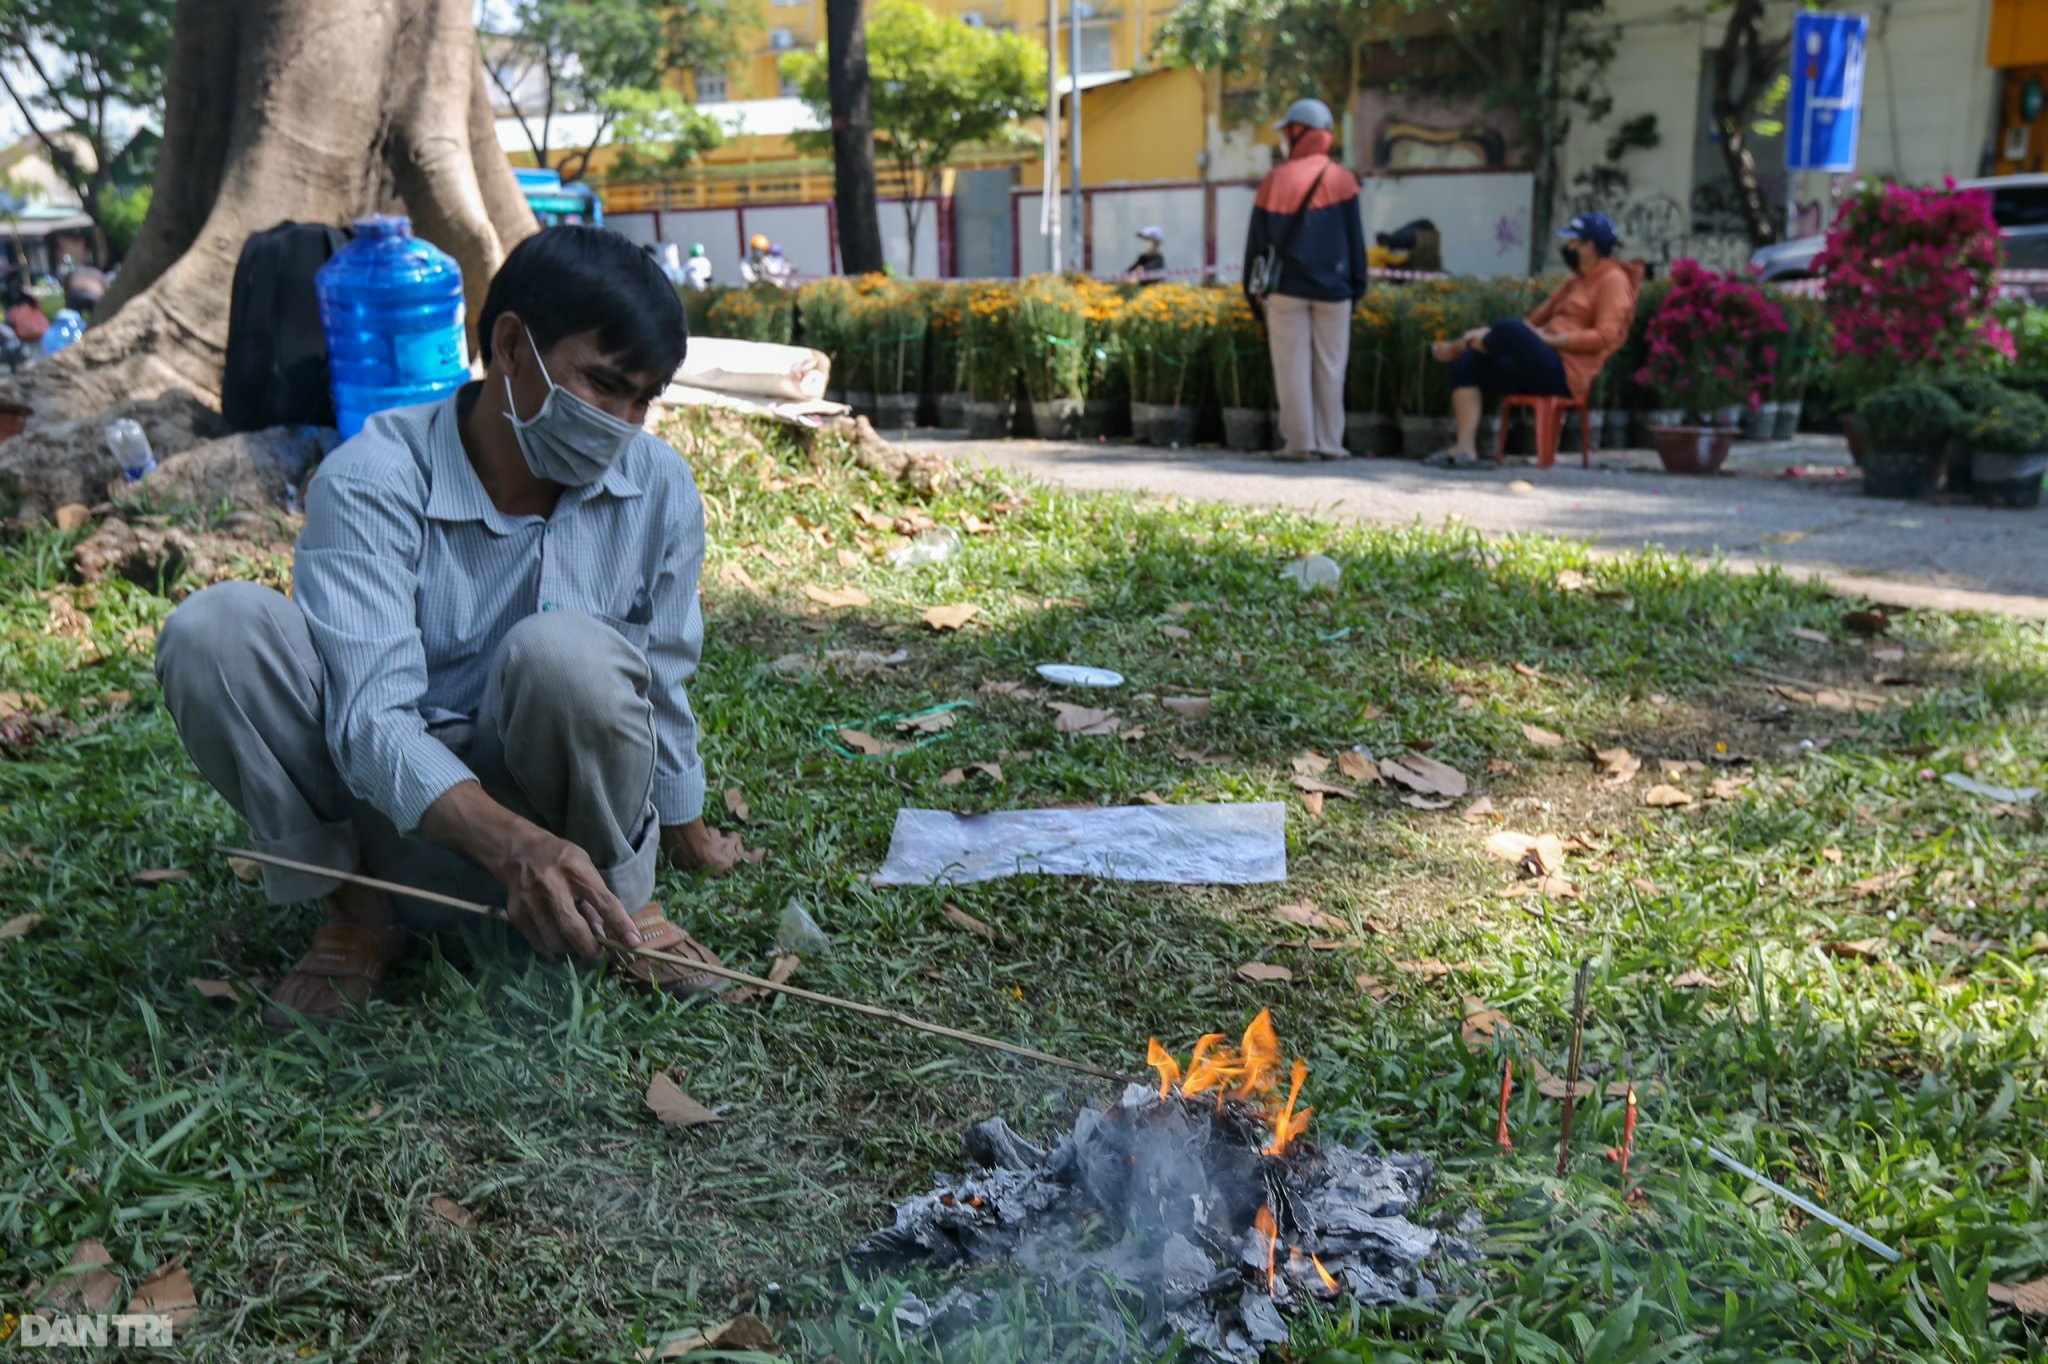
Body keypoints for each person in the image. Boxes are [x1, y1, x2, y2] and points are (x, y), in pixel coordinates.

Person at [153, 227, 742, 1028]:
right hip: (399, 836)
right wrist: (513, 849)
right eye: (604, 386)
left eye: (644, 399)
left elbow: (662, 676)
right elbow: (369, 722)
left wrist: (686, 829)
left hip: (559, 827)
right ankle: (361, 914)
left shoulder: (659, 485)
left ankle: (624, 908)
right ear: (508, 345)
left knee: (566, 652)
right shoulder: (374, 476)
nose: (624, 423)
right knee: (213, 630)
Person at [1423, 211, 1643, 467]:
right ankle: (1464, 448)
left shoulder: (1613, 281)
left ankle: (1459, 345)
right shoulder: (1574, 283)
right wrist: (1512, 335)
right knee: (1469, 363)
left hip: (1564, 372)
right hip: (1538, 360)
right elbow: (1533, 323)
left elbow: (1605, 336)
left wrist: (1551, 341)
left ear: (1589, 246)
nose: (1567, 247)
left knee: (1508, 328)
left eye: (1573, 240)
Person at [1243, 96, 1367, 462]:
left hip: (1286, 292)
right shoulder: (1343, 179)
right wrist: (1357, 288)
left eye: (1287, 131)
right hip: (1336, 292)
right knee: (1332, 368)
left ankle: (1299, 444)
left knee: (1291, 368)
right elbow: (1355, 241)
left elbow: (1256, 245)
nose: (1284, 138)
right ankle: (1331, 444)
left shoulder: (1275, 180)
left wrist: (1251, 296)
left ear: (1299, 133)